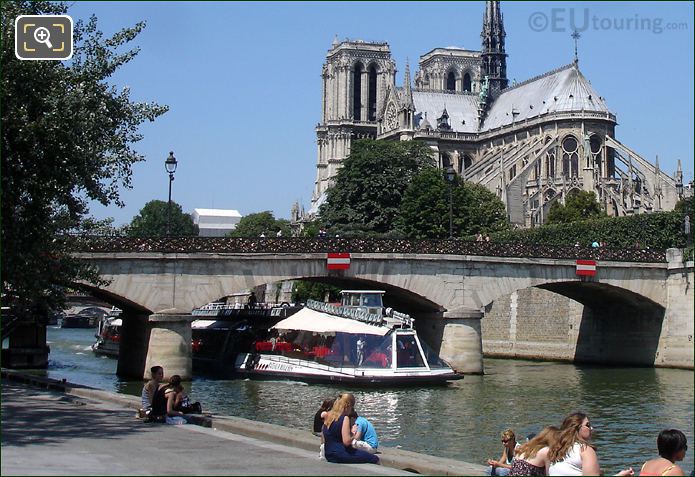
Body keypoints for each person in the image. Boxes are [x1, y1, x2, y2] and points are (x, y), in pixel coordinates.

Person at [548, 412, 633, 476]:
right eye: (587, 425)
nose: (591, 428)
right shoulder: (585, 450)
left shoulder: (557, 450)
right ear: (576, 428)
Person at [322, 393, 379, 464]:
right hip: (340, 454)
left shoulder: (327, 415)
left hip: (328, 454)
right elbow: (346, 442)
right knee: (374, 458)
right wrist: (353, 433)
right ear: (347, 406)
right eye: (351, 408)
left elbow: (324, 438)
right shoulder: (344, 418)